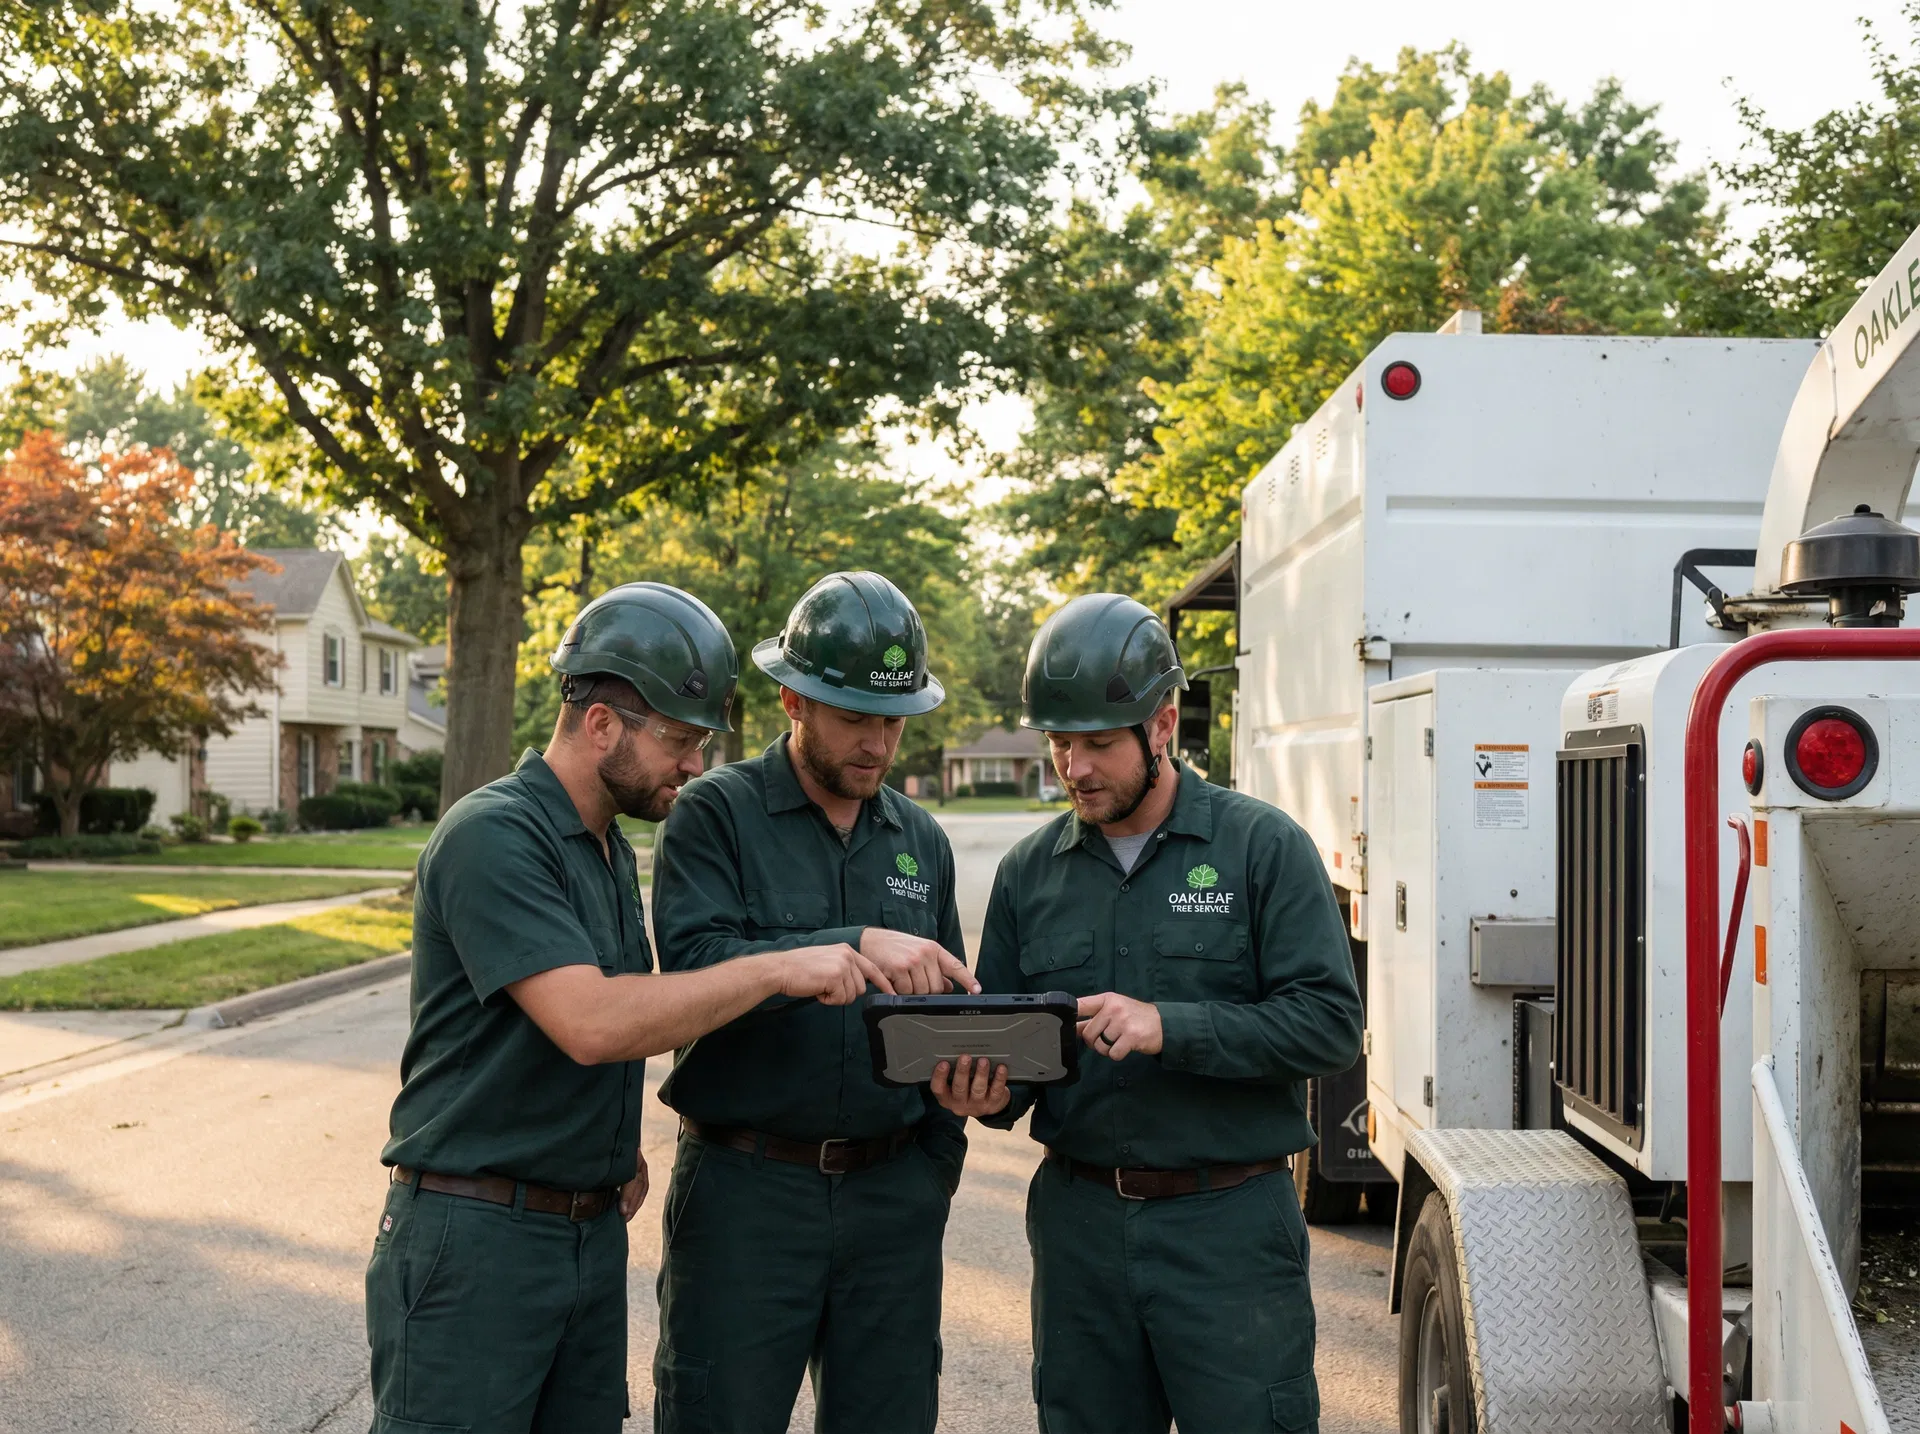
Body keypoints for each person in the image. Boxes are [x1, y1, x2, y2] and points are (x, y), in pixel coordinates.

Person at [365, 582, 886, 1434]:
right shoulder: (494, 834)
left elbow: (621, 1015)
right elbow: (594, 1023)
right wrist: (779, 968)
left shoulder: (605, 847)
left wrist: (604, 1151)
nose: (695, 765)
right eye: (680, 740)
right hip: (477, 1241)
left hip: (584, 1230)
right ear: (602, 723)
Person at [932, 592, 1363, 1434]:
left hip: (1229, 1228)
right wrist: (982, 1090)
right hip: (1080, 1229)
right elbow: (1017, 1069)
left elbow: (1329, 1025)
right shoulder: (1029, 874)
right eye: (1059, 743)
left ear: (1162, 725)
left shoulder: (1263, 848)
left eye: (1098, 743)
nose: (1075, 766)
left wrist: (1173, 1026)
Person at [650, 570, 978, 1434]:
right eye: (855, 717)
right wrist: (844, 944)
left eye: (894, 720)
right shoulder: (714, 814)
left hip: (891, 1198)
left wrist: (935, 1160)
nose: (879, 743)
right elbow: (692, 966)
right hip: (745, 1195)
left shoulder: (921, 840)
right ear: (793, 701)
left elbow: (941, 1016)